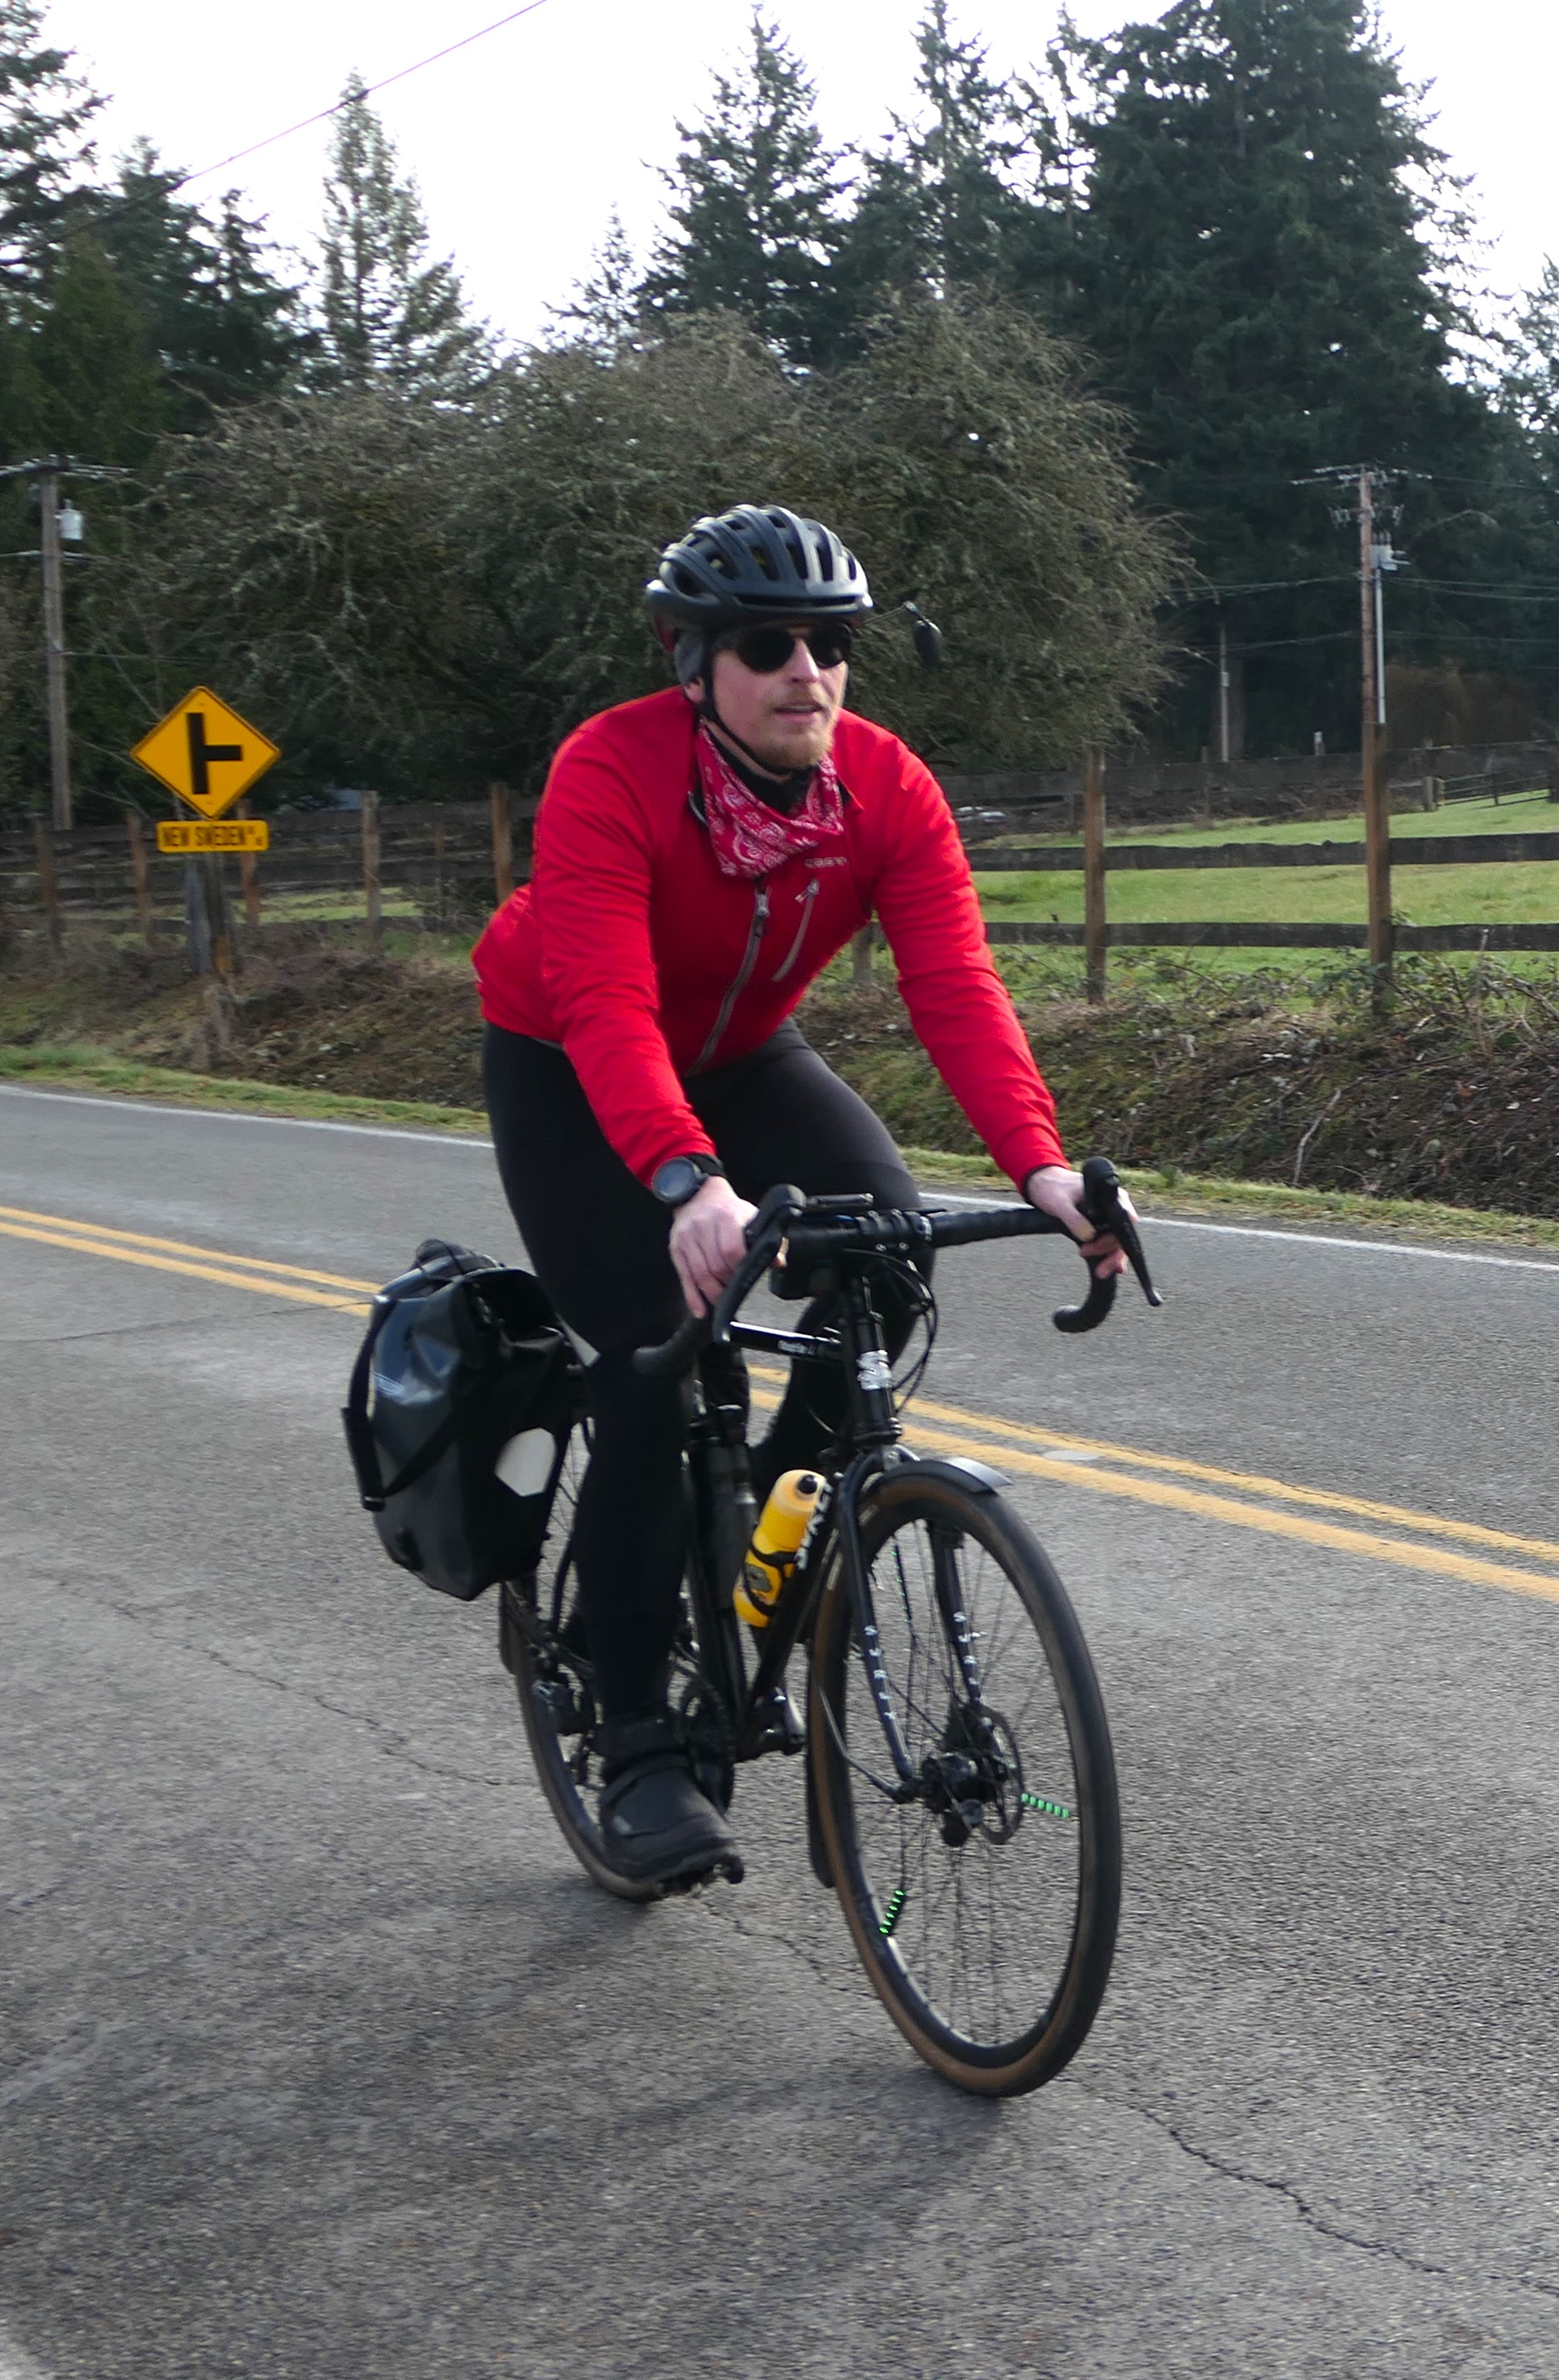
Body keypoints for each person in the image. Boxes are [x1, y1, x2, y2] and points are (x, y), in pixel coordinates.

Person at [475, 503, 1120, 1887]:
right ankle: (640, 1736)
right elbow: (602, 996)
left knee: (889, 1253)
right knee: (655, 1356)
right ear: (692, 661)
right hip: (572, 1063)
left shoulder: (885, 788)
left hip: (745, 1049)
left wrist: (1044, 1169)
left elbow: (956, 987)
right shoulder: (614, 769)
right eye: (768, 646)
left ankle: (765, 1521)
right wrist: (684, 1179)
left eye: (831, 645)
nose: (805, 672)